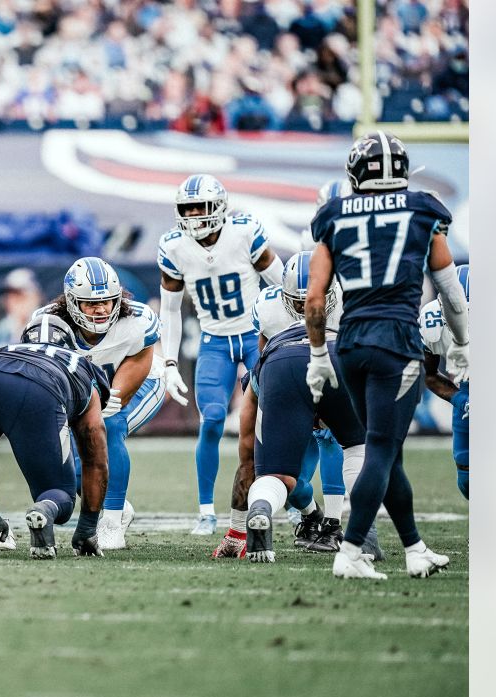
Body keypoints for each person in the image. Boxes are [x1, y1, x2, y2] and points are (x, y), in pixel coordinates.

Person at [305, 131, 469, 580]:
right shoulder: (423, 209)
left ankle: (415, 548)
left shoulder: (335, 214)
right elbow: (452, 294)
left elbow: (315, 299)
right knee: (382, 446)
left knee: (387, 452)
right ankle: (351, 549)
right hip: (396, 342)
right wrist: (464, 343)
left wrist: (319, 354)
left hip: (352, 344)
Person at [157, 173, 284, 535]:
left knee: (274, 419)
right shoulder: (174, 246)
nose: (194, 214)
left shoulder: (244, 232)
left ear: (220, 207)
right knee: (211, 420)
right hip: (214, 341)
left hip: (254, 337)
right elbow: (169, 310)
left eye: (201, 206)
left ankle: (286, 497)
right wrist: (168, 361)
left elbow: (284, 285)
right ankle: (206, 511)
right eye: (188, 208)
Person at [0, 314, 110, 559]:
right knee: (58, 493)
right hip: (39, 385)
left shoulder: (4, 348)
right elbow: (95, 457)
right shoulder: (80, 364)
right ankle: (44, 511)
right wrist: (87, 527)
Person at [32, 257, 164, 550]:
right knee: (70, 462)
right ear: (70, 301)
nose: (101, 308)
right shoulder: (48, 324)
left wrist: (110, 401)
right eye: (90, 303)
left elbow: (135, 369)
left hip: (141, 385)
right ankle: (117, 504)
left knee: (109, 425)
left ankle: (112, 522)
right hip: (84, 394)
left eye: (107, 301)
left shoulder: (136, 322)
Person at [242, 250, 349, 551]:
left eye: (313, 298)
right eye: (298, 302)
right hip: (289, 382)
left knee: (333, 438)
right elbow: (263, 357)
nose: (307, 307)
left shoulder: (347, 300)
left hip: (333, 372)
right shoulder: (268, 306)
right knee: (286, 478)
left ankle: (334, 524)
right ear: (285, 295)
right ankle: (311, 515)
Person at [420, 264, 470, 499]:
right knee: (468, 478)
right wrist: (462, 399)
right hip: (468, 390)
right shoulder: (433, 321)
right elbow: (430, 375)